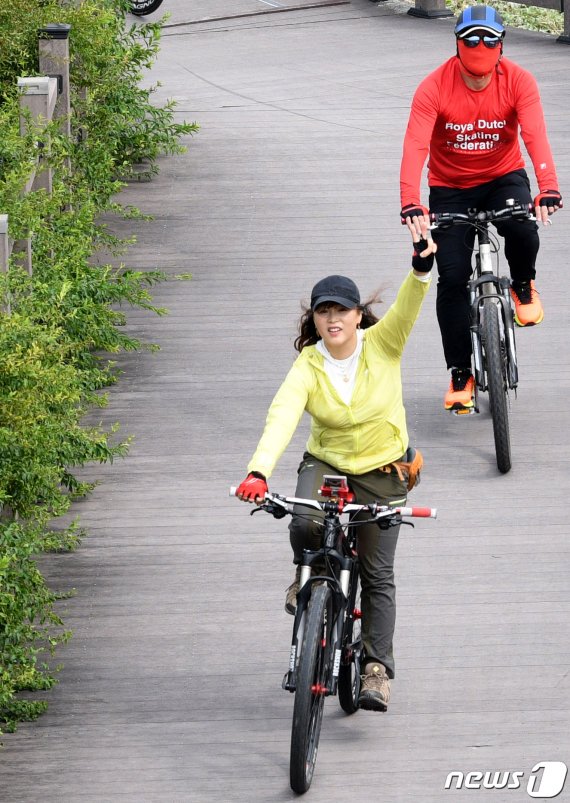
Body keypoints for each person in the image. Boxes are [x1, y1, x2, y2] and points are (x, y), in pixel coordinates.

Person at [235, 221, 435, 712]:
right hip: (327, 464)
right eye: (323, 311)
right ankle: (308, 575)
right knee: (304, 521)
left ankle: (375, 670)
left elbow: (409, 305)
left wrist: (421, 265)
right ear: (316, 319)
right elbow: (283, 414)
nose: (332, 319)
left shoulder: (383, 345)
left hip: (384, 470)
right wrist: (259, 471)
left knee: (377, 573)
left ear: (357, 314)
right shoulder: (309, 363)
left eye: (341, 310)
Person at [400, 4, 562, 412]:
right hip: (450, 187)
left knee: (524, 229)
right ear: (457, 47)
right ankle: (460, 373)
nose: (479, 64)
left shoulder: (519, 81)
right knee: (452, 278)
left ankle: (523, 284)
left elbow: (535, 136)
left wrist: (548, 188)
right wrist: (411, 201)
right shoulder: (433, 87)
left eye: (488, 46)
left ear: (501, 48)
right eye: (470, 45)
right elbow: (416, 145)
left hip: (502, 177)